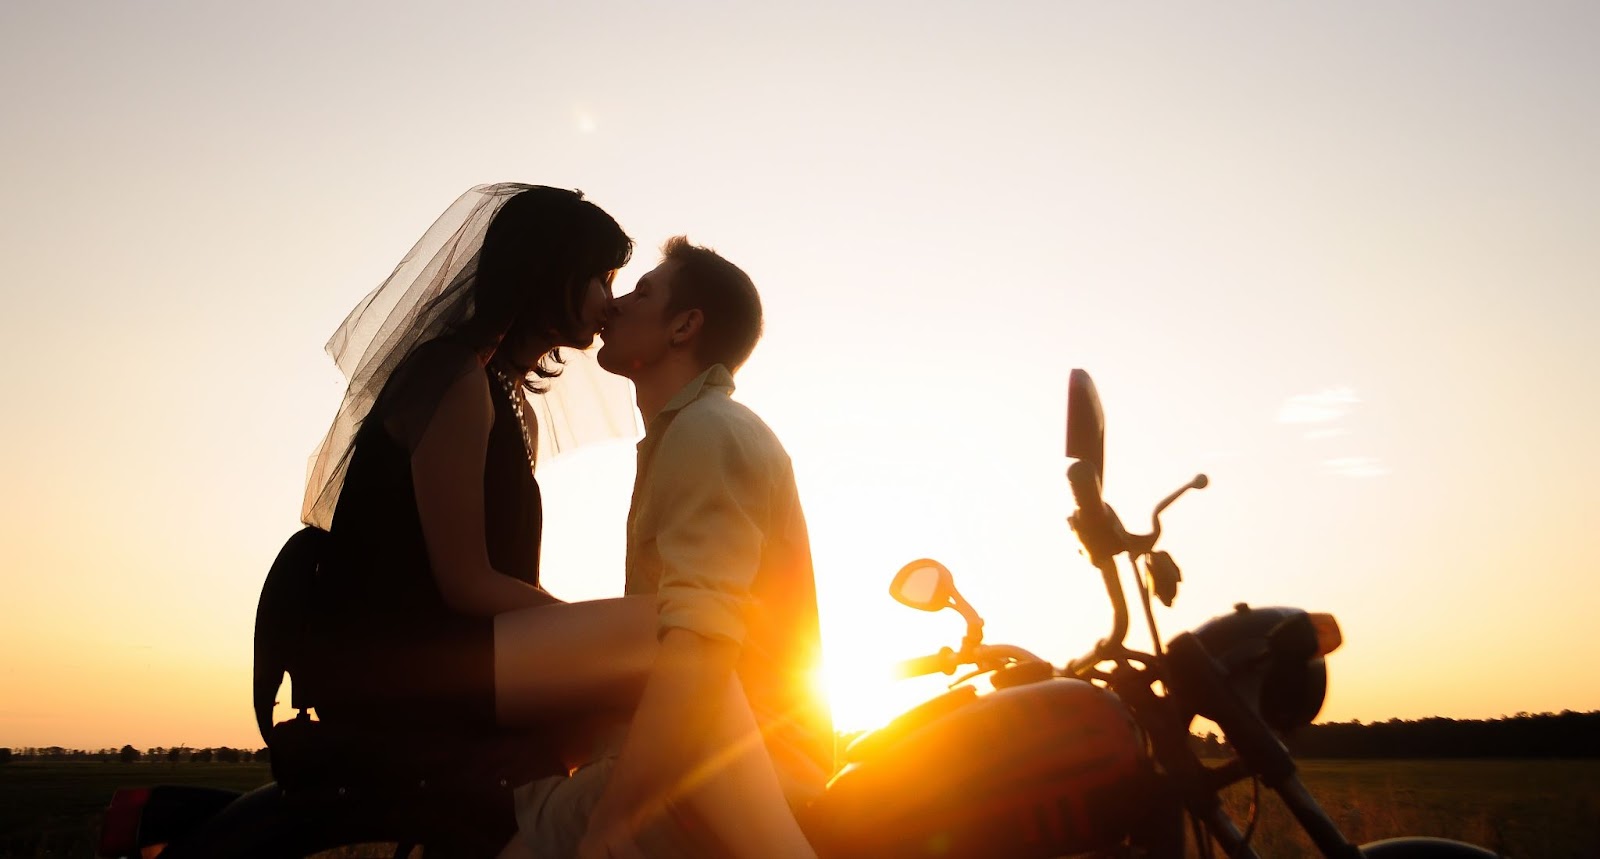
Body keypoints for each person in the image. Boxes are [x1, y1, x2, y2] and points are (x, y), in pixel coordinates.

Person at [504, 238, 832, 859]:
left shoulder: (708, 433)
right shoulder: (688, 431)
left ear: (685, 326)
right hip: (701, 751)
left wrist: (617, 816)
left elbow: (699, 642)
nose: (616, 306)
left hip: (731, 768)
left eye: (643, 292)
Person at [302, 183, 658, 747]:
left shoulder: (510, 400)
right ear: (550, 273)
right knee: (660, 633)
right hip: (406, 667)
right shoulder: (455, 379)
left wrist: (581, 631)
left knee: (659, 661)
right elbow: (466, 584)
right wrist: (584, 627)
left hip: (463, 656)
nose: (610, 301)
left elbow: (510, 578)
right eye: (601, 278)